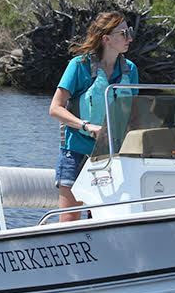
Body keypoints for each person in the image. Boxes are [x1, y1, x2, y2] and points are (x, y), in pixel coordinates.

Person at [49, 11, 139, 221]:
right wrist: (87, 126)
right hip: (76, 154)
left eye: (130, 32)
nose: (130, 38)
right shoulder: (79, 66)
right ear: (106, 39)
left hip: (111, 159)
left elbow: (134, 114)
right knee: (69, 223)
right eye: (124, 33)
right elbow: (55, 108)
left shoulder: (131, 70)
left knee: (102, 221)